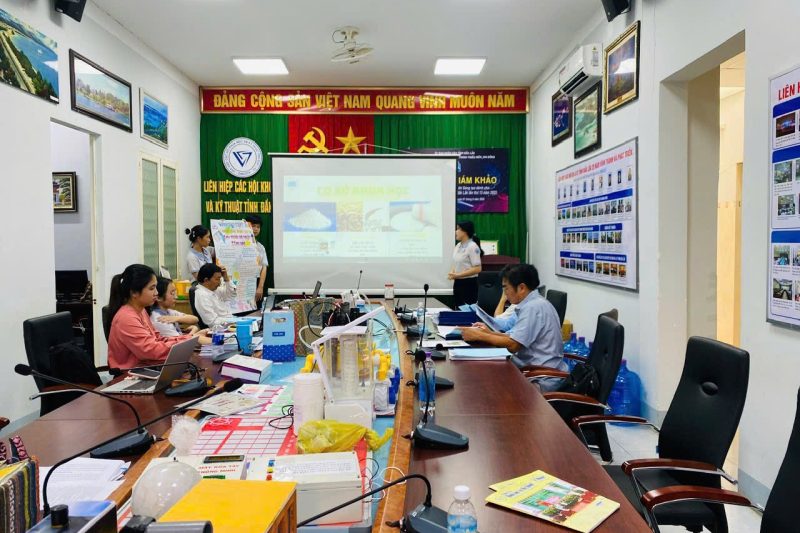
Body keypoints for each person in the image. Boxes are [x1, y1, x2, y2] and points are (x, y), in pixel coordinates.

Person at [461, 264, 566, 391]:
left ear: (521, 288)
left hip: (540, 378)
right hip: (530, 370)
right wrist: (488, 333)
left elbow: (514, 345)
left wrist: (480, 336)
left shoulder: (533, 307)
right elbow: (514, 336)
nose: (505, 293)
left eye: (506, 288)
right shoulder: (533, 303)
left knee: (484, 385)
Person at [107, 264, 208, 370]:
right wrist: (190, 340)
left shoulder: (141, 311)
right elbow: (151, 351)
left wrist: (189, 338)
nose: (156, 293)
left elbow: (157, 339)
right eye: (152, 288)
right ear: (134, 292)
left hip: (148, 366)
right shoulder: (126, 317)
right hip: (131, 373)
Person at [448, 221, 483, 307]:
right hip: (458, 283)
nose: (456, 231)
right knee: (458, 308)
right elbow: (456, 262)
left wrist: (458, 275)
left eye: (458, 229)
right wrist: (452, 272)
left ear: (465, 231)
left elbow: (477, 269)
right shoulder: (458, 246)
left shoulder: (473, 246)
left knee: (467, 311)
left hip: (469, 284)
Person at [194, 263, 237, 327]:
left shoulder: (214, 289)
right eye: (217, 279)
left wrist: (226, 278)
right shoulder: (202, 295)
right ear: (206, 280)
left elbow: (232, 294)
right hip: (222, 328)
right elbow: (213, 322)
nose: (219, 283)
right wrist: (233, 321)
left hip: (230, 322)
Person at [245, 214, 269, 303]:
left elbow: (264, 267)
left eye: (258, 227)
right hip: (241, 281)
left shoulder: (260, 247)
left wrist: (260, 287)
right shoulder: (236, 244)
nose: (255, 229)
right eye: (253, 226)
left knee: (256, 308)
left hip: (255, 281)